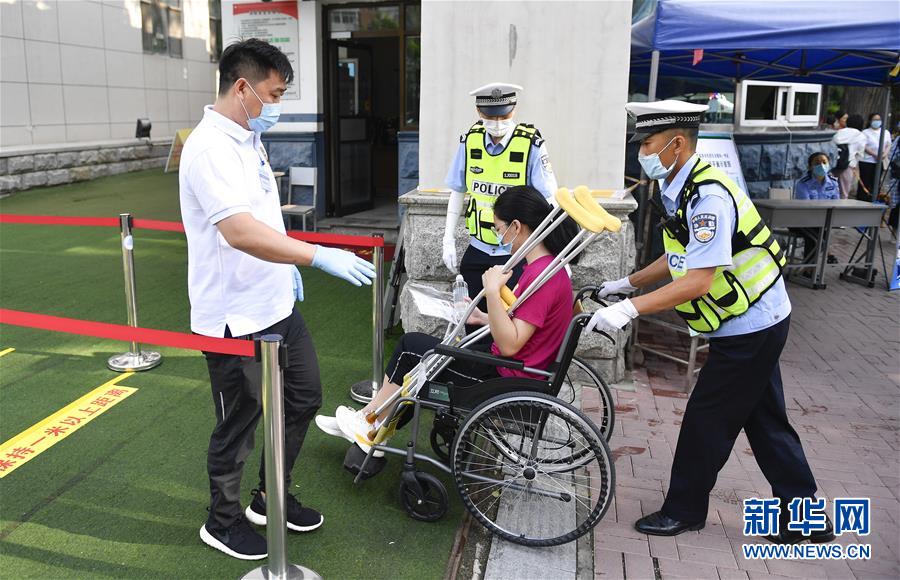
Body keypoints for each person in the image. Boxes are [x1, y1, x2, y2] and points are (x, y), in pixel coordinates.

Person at [586, 100, 832, 544]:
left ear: (677, 144)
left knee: (706, 420)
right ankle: (806, 518)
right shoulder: (680, 186)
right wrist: (626, 283)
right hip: (754, 320)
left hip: (751, 326)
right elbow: (679, 256)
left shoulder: (708, 198)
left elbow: (698, 280)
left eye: (648, 143)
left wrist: (629, 309)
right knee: (765, 420)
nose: (641, 152)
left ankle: (683, 510)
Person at [179, 39, 376, 560]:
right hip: (234, 318)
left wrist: (286, 265)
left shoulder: (249, 138)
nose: (278, 105)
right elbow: (239, 231)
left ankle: (271, 497)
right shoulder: (209, 148)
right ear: (242, 88)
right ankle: (222, 522)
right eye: (274, 93)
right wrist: (315, 255)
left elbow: (264, 215)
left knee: (303, 398)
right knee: (239, 423)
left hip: (275, 306)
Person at [316, 185, 577, 450]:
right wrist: (483, 317)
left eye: (499, 230)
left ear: (516, 227)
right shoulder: (545, 269)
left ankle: (370, 424)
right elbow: (523, 326)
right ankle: (370, 422)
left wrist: (492, 291)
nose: (499, 237)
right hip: (512, 370)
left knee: (411, 348)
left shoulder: (541, 277)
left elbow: (511, 343)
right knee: (424, 355)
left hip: (506, 378)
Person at [442, 83, 558, 311]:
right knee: (471, 317)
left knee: (511, 319)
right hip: (477, 250)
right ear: (479, 112)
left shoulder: (530, 145)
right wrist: (448, 239)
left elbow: (550, 201)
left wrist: (554, 251)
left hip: (515, 254)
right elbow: (458, 190)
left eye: (504, 116)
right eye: (490, 117)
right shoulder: (470, 142)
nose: (497, 123)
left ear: (514, 110)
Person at [792, 152, 840, 266]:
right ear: (810, 167)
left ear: (828, 164)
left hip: (822, 222)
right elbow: (806, 208)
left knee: (818, 234)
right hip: (801, 221)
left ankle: (808, 269)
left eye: (824, 162)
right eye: (817, 163)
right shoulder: (803, 184)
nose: (821, 165)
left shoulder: (833, 183)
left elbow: (837, 203)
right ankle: (824, 255)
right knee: (817, 236)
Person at [831, 114, 867, 199]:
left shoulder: (839, 132)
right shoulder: (861, 136)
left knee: (831, 189)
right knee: (844, 193)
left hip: (833, 164)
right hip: (848, 165)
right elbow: (860, 154)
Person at [858, 113, 892, 202]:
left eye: (878, 119)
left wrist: (884, 155)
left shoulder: (885, 132)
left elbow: (888, 144)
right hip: (867, 161)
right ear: (870, 121)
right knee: (865, 181)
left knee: (876, 182)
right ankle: (862, 200)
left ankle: (874, 199)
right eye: (875, 120)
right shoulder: (865, 132)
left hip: (879, 162)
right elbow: (864, 146)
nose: (877, 121)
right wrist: (874, 154)